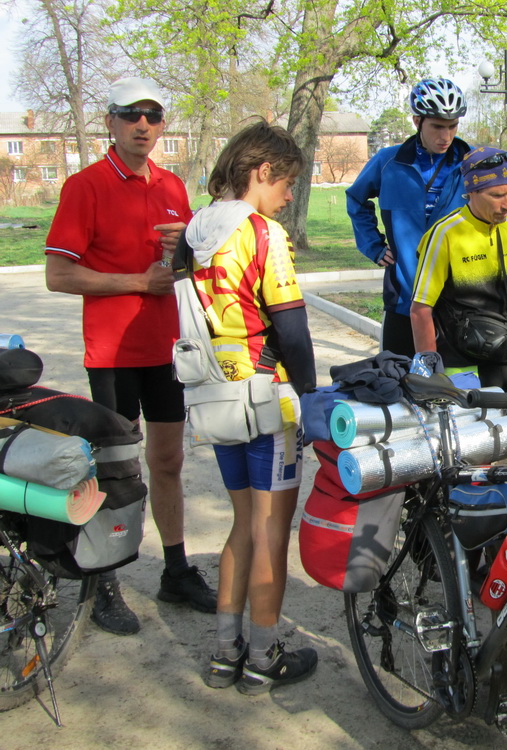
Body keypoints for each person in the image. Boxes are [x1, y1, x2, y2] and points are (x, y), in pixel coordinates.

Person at [44, 77, 216, 635]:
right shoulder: (85, 186)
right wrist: (139, 283)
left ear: (162, 125)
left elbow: (183, 272)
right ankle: (103, 582)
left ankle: (175, 571)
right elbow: (58, 274)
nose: (143, 124)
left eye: (153, 115)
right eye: (131, 114)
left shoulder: (172, 185)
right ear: (111, 123)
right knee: (113, 472)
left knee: (167, 462)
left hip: (167, 351)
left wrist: (185, 253)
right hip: (113, 354)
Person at [182, 120, 318, 695]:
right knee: (271, 531)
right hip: (267, 399)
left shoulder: (197, 228)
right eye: (286, 183)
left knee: (243, 522)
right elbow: (292, 327)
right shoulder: (263, 232)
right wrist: (311, 395)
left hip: (215, 394)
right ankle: (263, 658)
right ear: (262, 171)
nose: (288, 196)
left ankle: (224, 653)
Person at [346, 77, 507, 358]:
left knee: (457, 381)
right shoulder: (388, 162)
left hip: (460, 306)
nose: (446, 136)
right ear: (417, 121)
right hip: (404, 295)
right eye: (437, 126)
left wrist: (486, 262)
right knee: (396, 376)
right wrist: (373, 246)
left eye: (452, 126)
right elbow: (356, 199)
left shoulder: (476, 164)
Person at [410, 146, 507, 450]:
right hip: (459, 362)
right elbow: (420, 309)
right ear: (471, 192)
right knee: (478, 455)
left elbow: (498, 294)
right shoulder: (445, 234)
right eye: (496, 195)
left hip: (501, 354)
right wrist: (431, 375)